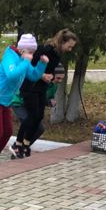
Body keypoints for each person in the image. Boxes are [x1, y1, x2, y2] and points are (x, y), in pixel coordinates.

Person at [0, 34, 48, 169]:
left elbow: (33, 76)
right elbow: (12, 75)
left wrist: (42, 64)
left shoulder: (23, 59)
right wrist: (26, 61)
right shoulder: (10, 56)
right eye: (30, 52)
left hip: (5, 102)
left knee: (7, 132)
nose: (32, 55)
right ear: (22, 49)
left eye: (33, 52)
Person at [12, 29, 78, 157]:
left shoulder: (57, 54)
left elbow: (51, 69)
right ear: (62, 42)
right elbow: (29, 66)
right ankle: (17, 144)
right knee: (31, 116)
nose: (70, 49)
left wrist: (51, 76)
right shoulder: (45, 49)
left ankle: (26, 143)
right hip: (30, 86)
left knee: (39, 116)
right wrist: (42, 75)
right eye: (69, 46)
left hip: (41, 88)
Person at [11, 64, 66, 158]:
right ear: (51, 75)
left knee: (39, 129)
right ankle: (17, 147)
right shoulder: (38, 81)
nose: (59, 81)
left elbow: (46, 98)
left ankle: (22, 147)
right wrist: (46, 101)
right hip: (19, 103)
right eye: (58, 78)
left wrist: (50, 102)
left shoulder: (53, 86)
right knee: (29, 122)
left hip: (31, 105)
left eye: (62, 79)